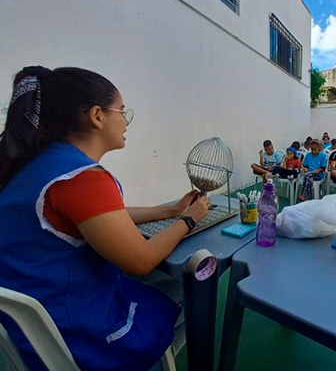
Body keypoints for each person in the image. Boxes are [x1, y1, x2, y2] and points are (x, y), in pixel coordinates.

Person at [0, 66, 211, 371]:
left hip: (27, 328)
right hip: (73, 331)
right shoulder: (82, 177)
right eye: (122, 111)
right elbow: (141, 259)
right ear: (98, 116)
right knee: (192, 285)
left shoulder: (37, 166)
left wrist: (169, 211)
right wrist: (190, 220)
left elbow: (96, 217)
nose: (125, 121)